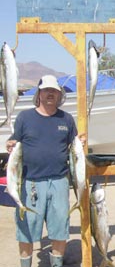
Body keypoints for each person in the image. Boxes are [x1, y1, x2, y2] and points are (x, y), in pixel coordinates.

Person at [6, 75, 82, 267]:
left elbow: (74, 149)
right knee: (26, 230)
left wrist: (80, 144)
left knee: (59, 230)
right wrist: (10, 144)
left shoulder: (67, 119)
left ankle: (56, 264)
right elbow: (15, 142)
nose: (50, 93)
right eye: (46, 90)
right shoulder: (25, 117)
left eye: (54, 91)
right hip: (30, 183)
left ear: (59, 95)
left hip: (59, 182)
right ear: (39, 94)